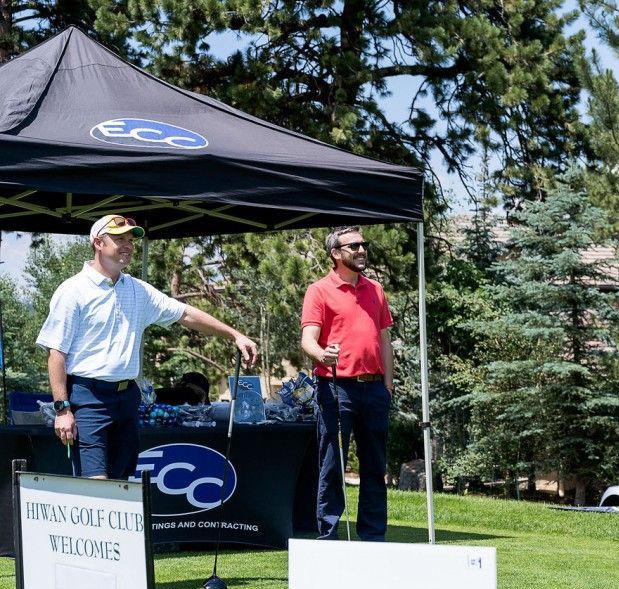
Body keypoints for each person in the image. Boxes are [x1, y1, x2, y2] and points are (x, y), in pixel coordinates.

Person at [37, 214, 258, 479]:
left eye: (130, 240)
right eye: (119, 239)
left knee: (121, 485)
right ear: (97, 242)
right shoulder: (72, 290)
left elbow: (185, 314)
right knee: (95, 486)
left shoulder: (138, 289)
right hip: (88, 398)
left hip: (127, 399)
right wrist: (62, 410)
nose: (128, 245)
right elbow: (56, 354)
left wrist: (234, 334)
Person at [301, 225, 394, 541]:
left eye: (363, 245)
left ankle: (373, 537)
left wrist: (388, 385)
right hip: (336, 388)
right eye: (353, 246)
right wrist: (323, 356)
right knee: (332, 466)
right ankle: (328, 536)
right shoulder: (319, 290)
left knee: (374, 468)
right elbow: (308, 340)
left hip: (375, 389)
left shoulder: (375, 290)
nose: (361, 250)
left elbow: (384, 341)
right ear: (335, 253)